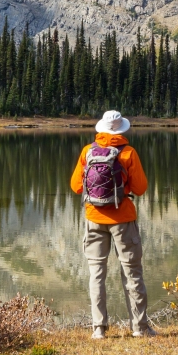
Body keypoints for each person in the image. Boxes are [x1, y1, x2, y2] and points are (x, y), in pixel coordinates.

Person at [70, 109, 154, 339]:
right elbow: (140, 188)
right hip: (123, 220)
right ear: (122, 129)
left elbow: (76, 187)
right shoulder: (128, 153)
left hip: (94, 218)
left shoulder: (88, 151)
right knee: (132, 272)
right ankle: (139, 327)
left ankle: (99, 328)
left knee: (96, 274)